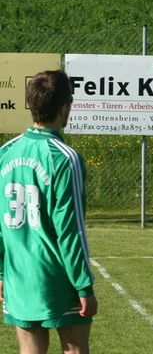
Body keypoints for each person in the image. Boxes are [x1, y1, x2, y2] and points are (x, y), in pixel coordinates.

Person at [0, 70, 97, 353]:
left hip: (19, 276)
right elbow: (70, 230)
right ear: (65, 106)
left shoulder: (6, 153)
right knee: (75, 349)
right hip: (57, 275)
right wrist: (83, 286)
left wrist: (2, 274)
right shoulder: (64, 158)